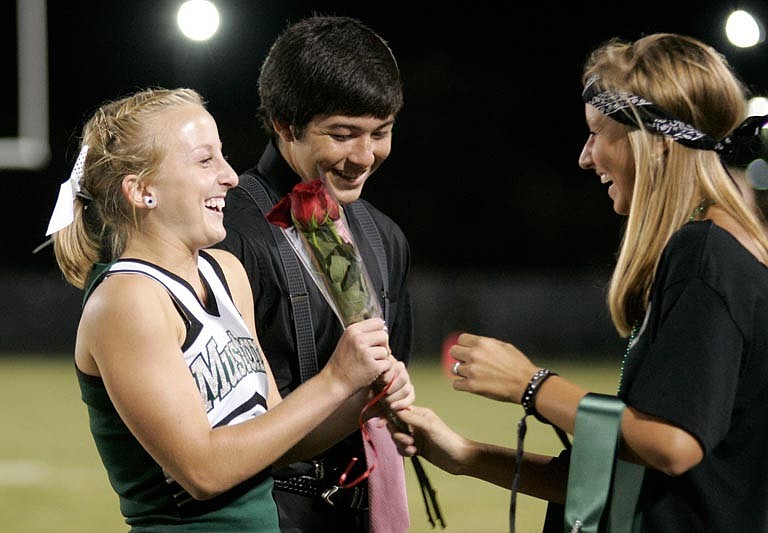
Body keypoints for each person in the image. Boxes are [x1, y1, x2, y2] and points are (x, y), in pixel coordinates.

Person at [392, 33, 768, 532]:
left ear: (652, 139)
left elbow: (672, 445)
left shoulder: (705, 254)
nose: (585, 157)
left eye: (598, 132)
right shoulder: (714, 249)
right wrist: (467, 455)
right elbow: (633, 477)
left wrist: (531, 385)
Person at [47, 87, 413, 531]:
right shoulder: (128, 299)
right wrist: (335, 380)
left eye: (222, 157)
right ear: (142, 190)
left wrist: (363, 398)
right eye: (205, 161)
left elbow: (278, 440)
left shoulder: (226, 273)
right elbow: (202, 472)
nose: (230, 177)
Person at [214, 15, 414, 533]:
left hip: (364, 508)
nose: (364, 156)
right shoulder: (226, 235)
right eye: (343, 135)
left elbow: (385, 390)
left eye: (381, 133)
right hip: (266, 515)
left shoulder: (386, 238)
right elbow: (220, 430)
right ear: (284, 124)